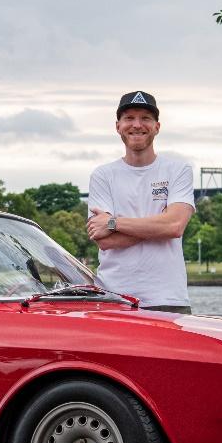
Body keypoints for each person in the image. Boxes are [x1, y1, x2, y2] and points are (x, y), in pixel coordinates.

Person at [85, 90, 194, 313]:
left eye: (145, 118)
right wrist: (158, 224)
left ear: (157, 126)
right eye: (129, 118)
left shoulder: (178, 171)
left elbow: (174, 226)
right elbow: (105, 241)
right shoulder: (102, 175)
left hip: (168, 298)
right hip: (114, 299)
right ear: (118, 126)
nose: (137, 124)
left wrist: (113, 223)